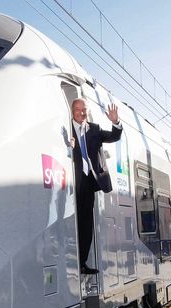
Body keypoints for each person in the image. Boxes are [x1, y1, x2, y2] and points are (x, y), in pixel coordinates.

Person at [69, 98, 122, 274]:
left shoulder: (95, 129)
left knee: (86, 224)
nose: (81, 113)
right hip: (71, 180)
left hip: (89, 182)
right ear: (72, 110)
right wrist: (68, 146)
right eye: (78, 110)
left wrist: (115, 122)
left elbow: (115, 136)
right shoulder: (66, 128)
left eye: (84, 110)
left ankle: (82, 263)